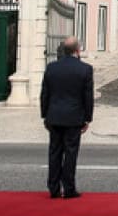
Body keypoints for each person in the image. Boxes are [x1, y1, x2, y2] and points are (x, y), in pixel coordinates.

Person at [40, 35, 94, 199]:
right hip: (74, 117)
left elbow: (44, 94)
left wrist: (44, 115)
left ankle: (54, 188)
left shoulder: (51, 67)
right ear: (78, 50)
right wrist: (87, 118)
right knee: (70, 153)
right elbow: (88, 96)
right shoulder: (85, 69)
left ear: (63, 51)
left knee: (54, 152)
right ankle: (69, 188)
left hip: (54, 116)